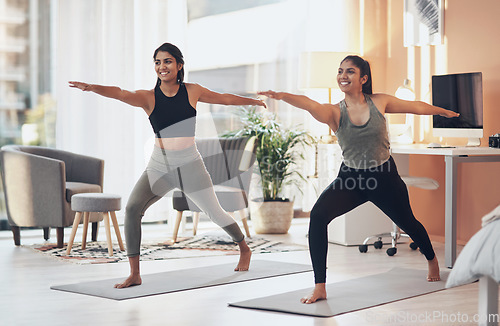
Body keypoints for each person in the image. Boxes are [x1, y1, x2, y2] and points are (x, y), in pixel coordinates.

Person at [259, 55, 459, 304]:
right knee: (319, 216)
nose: (343, 75)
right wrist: (281, 95)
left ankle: (431, 260)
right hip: (351, 179)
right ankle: (319, 286)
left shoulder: (380, 102)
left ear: (363, 79)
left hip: (384, 176)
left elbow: (415, 107)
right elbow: (308, 104)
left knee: (409, 222)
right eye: (341, 71)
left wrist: (441, 111)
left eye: (350, 72)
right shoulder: (334, 112)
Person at [69, 42, 266, 288]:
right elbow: (120, 92)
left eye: (168, 61)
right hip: (159, 166)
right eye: (158, 62)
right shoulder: (148, 97)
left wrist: (253, 102)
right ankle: (135, 273)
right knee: (132, 209)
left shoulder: (192, 91)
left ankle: (244, 248)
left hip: (190, 164)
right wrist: (92, 87)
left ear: (179, 65)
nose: (162, 67)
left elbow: (223, 98)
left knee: (215, 212)